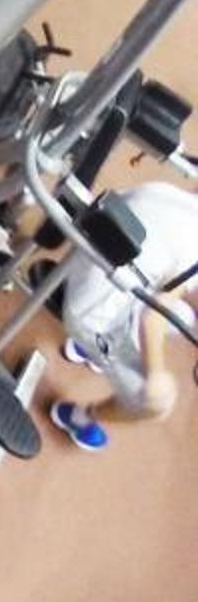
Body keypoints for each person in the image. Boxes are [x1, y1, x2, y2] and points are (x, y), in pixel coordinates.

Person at [33, 180, 198, 447]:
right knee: (156, 404)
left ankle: (86, 350)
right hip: (91, 316)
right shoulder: (194, 255)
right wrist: (156, 374)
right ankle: (80, 416)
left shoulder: (166, 192)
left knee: (184, 316)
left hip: (85, 254)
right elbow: (152, 318)